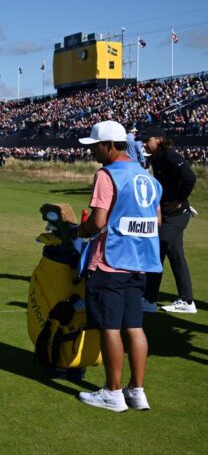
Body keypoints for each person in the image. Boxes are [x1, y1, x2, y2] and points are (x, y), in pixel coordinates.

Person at [76, 120, 162, 412]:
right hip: (139, 263)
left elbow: (98, 222)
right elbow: (157, 220)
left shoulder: (106, 174)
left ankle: (113, 393)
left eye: (95, 146)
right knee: (135, 327)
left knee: (110, 327)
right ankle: (137, 391)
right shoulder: (147, 177)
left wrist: (81, 230)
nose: (93, 152)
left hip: (110, 261)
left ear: (110, 145)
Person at [139, 126, 197, 314]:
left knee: (157, 251)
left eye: (147, 141)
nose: (144, 144)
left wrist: (180, 201)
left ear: (158, 139)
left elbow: (190, 178)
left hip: (177, 215)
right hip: (167, 214)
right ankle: (187, 301)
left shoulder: (171, 156)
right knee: (175, 255)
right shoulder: (156, 158)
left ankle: (149, 300)